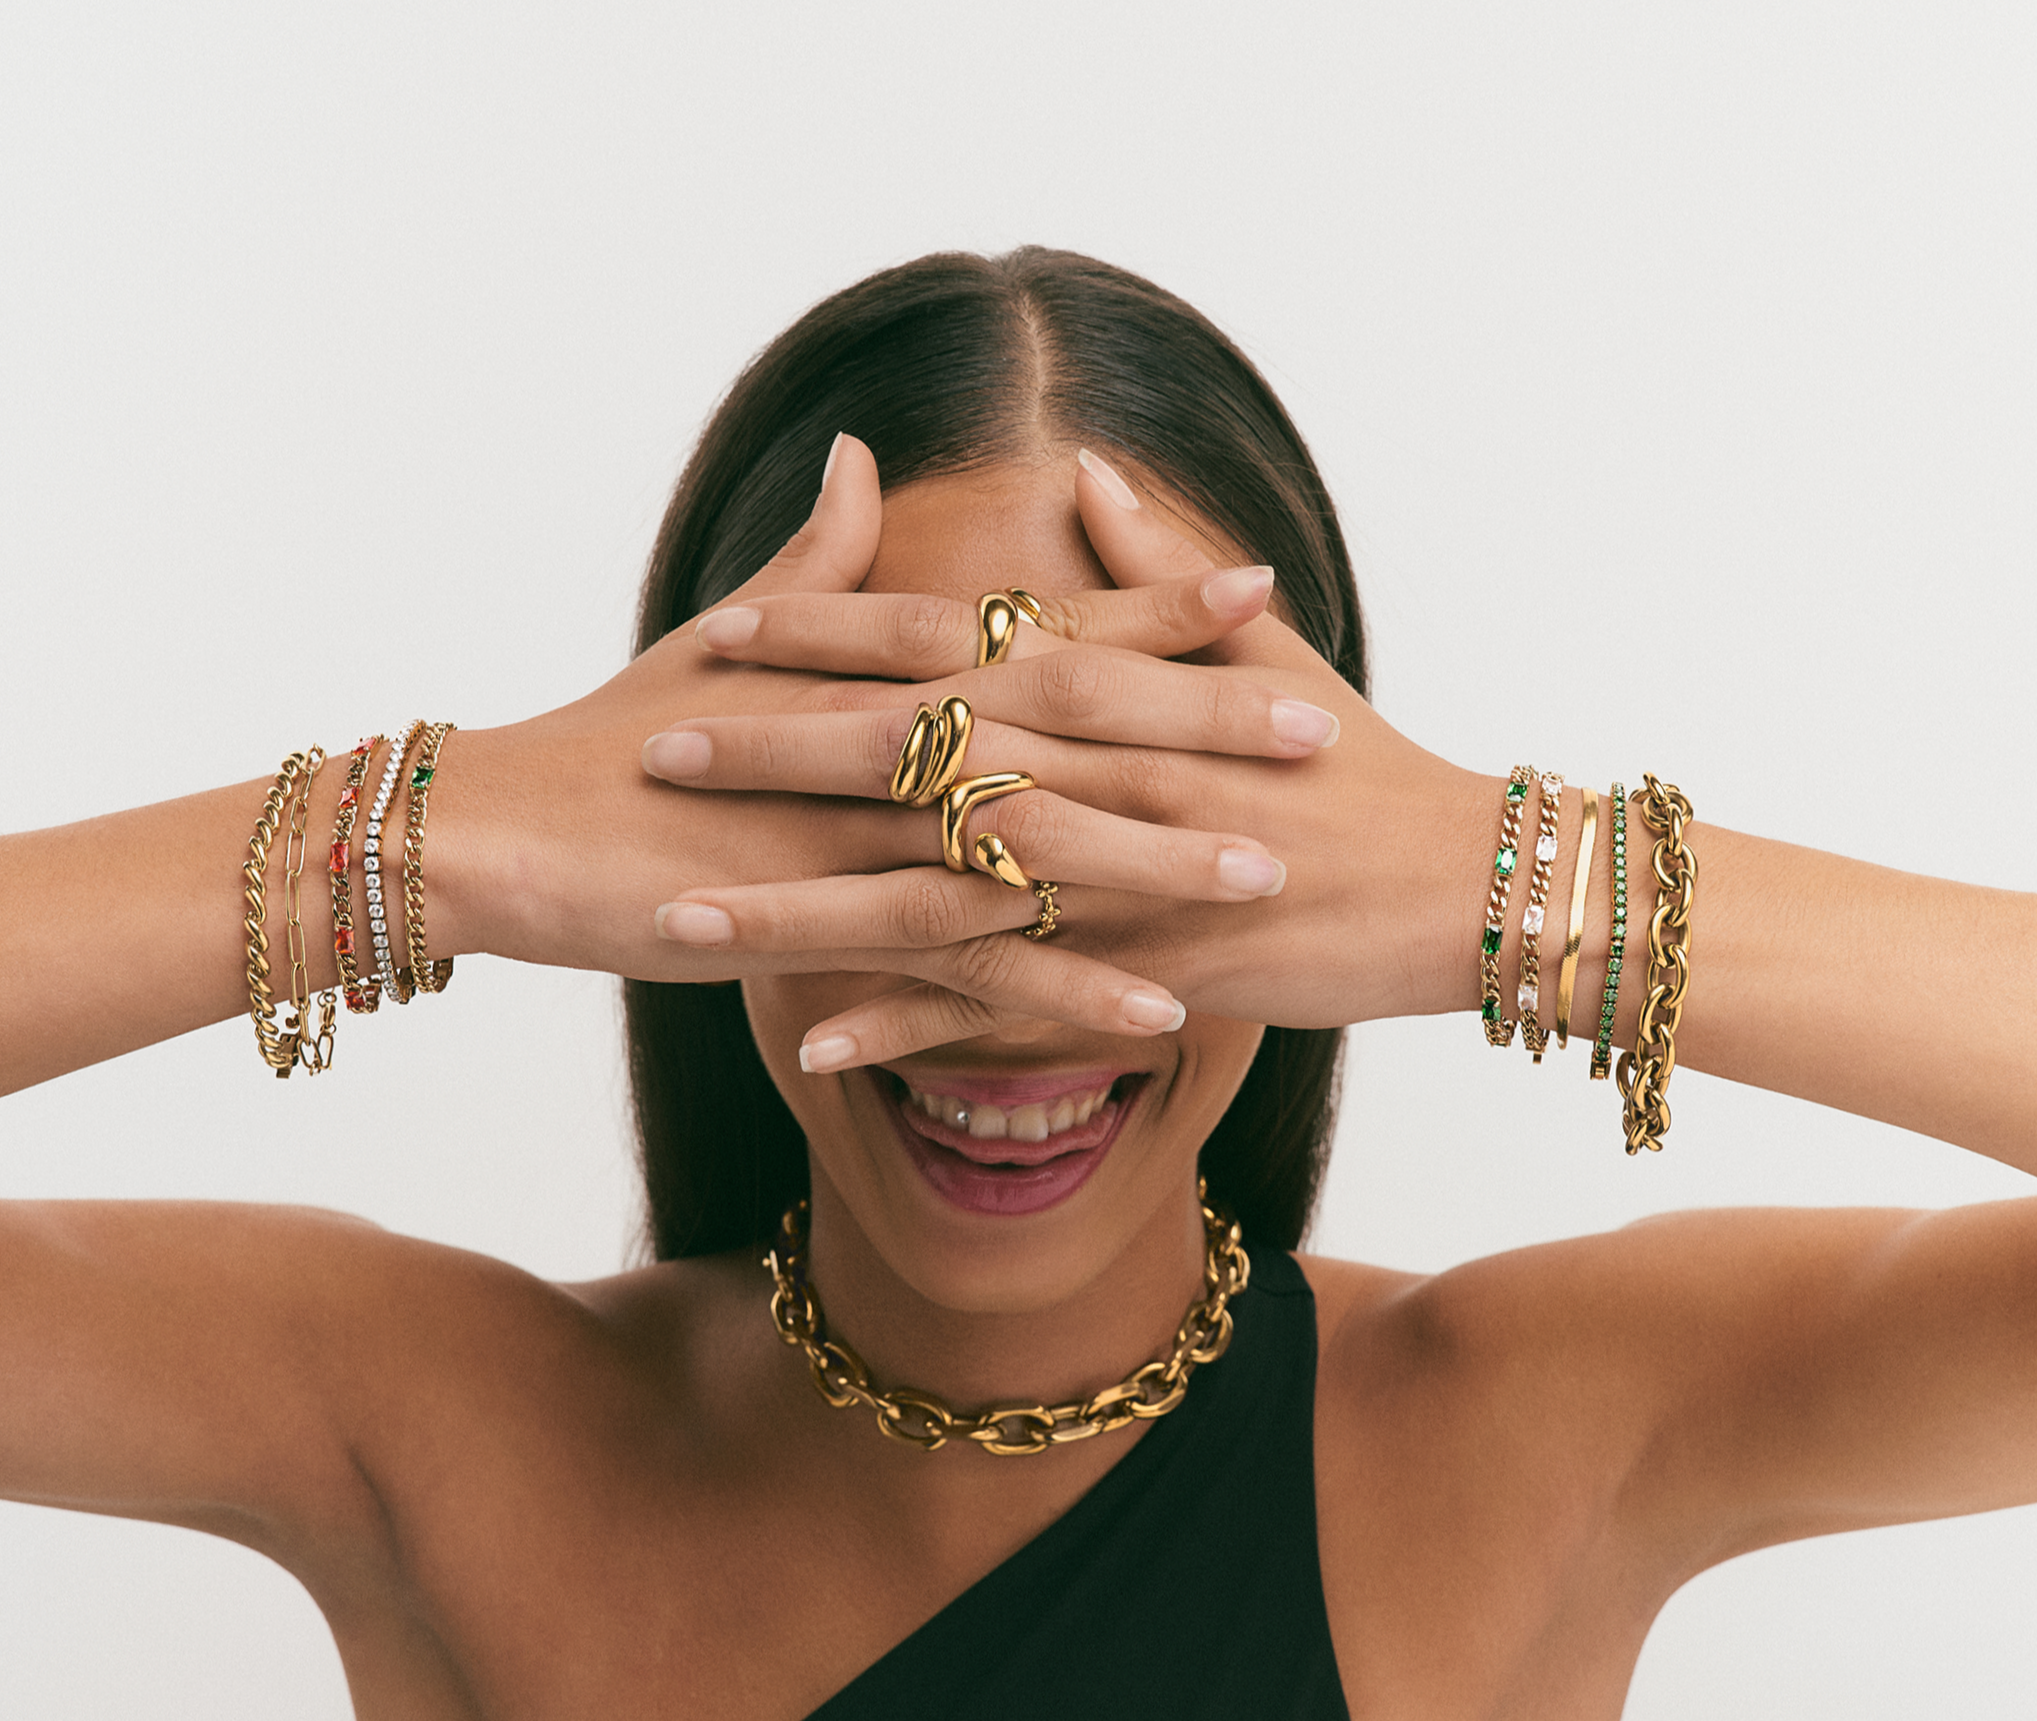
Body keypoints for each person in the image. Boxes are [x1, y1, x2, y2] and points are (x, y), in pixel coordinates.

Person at [2, 247, 2032, 1717]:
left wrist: (1533, 880)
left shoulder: (1543, 1435)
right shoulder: (427, 1424)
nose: (1007, 978)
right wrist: (425, 836)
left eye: (1136, 818)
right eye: (882, 814)